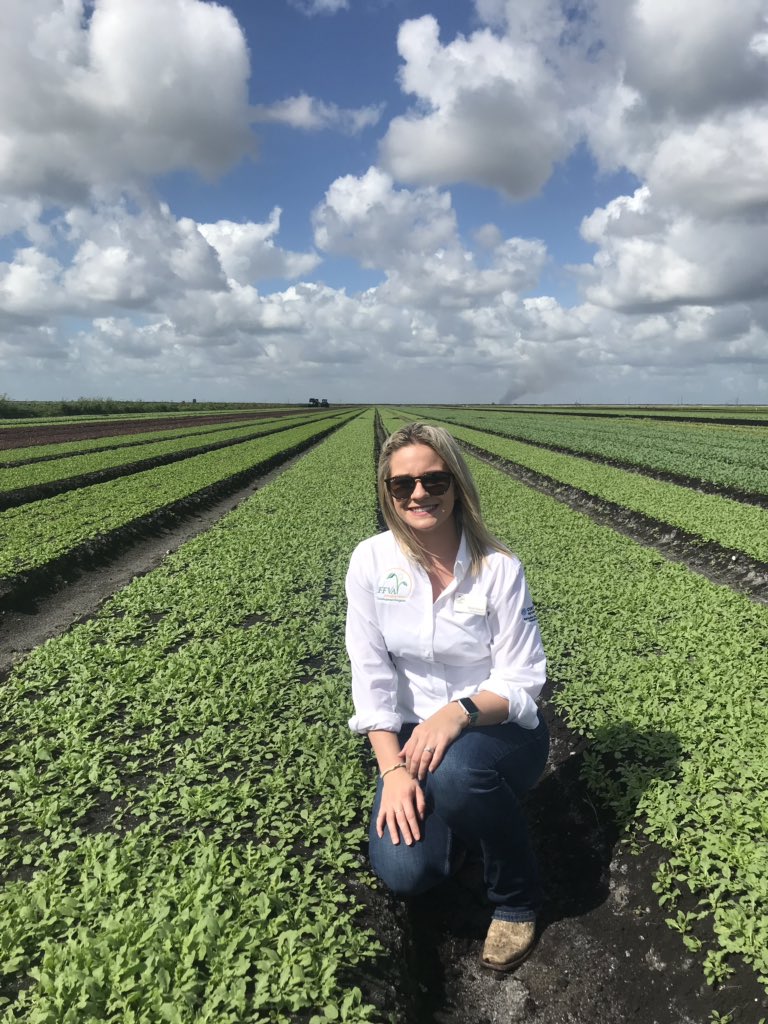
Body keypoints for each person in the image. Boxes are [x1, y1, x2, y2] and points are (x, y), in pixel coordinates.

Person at [345, 422, 549, 972]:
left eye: (433, 481)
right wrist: (392, 772)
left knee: (460, 774)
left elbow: (523, 680)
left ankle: (516, 898)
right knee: (407, 873)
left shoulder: (498, 568)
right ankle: (466, 823)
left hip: (494, 727)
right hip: (413, 736)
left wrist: (456, 713)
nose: (418, 495)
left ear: (456, 484)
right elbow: (371, 675)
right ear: (387, 494)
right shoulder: (370, 562)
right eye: (402, 485)